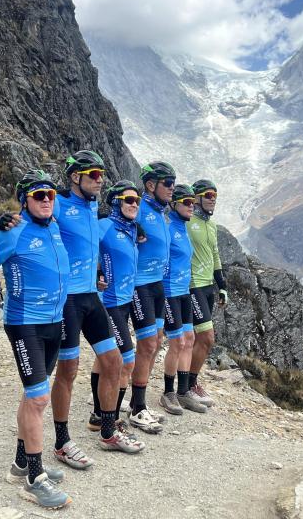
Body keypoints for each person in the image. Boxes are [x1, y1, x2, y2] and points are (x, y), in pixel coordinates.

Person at [50, 151, 142, 467]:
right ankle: (62, 442)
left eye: (102, 175)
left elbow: (92, 248)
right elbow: (33, 224)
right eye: (93, 175)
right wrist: (10, 222)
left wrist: (99, 274)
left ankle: (107, 431)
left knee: (113, 361)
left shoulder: (91, 209)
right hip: (67, 302)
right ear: (75, 177)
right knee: (68, 371)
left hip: (92, 297)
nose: (100, 180)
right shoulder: (59, 203)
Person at [0, 169, 73, 509]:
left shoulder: (54, 226)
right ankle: (34, 478)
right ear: (24, 200)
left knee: (32, 395)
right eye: (38, 195)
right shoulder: (14, 231)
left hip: (54, 322)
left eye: (50, 195)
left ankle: (20, 462)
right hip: (25, 322)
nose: (46, 200)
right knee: (39, 398)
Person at [87, 179, 146, 451]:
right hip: (107, 302)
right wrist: (97, 272)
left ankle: (99, 415)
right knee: (127, 361)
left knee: (104, 360)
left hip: (124, 301)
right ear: (115, 202)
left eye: (137, 200)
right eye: (128, 200)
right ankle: (112, 421)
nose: (135, 204)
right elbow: (84, 247)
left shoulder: (131, 228)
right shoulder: (104, 225)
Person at [127, 160, 176, 433]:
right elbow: (106, 220)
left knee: (156, 342)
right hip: (139, 285)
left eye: (173, 183)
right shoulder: (138, 207)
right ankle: (137, 408)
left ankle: (137, 400)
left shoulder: (160, 212)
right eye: (167, 183)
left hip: (157, 285)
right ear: (150, 185)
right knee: (146, 345)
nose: (172, 188)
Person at [159, 184, 207, 415]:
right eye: (186, 202)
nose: (192, 206)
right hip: (169, 292)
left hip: (184, 291)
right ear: (173, 204)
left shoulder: (182, 228)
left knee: (189, 338)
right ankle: (168, 393)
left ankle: (183, 391)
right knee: (177, 342)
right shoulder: (168, 228)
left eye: (193, 202)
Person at [186, 179, 227, 406]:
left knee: (195, 339)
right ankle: (188, 385)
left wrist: (222, 285)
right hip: (191, 286)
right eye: (209, 195)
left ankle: (187, 383)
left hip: (207, 286)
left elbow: (215, 256)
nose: (213, 199)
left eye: (215, 196)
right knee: (206, 338)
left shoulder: (211, 225)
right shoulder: (187, 220)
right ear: (197, 198)